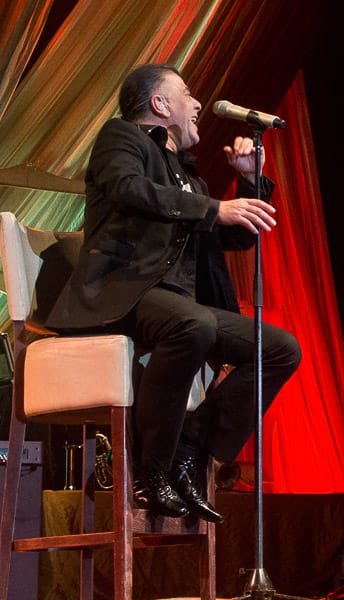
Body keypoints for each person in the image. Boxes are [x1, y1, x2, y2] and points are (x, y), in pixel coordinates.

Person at [45, 63, 302, 522]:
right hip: (123, 293)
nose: (198, 103)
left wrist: (248, 179)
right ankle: (152, 470)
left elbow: (231, 236)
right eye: (186, 93)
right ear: (160, 104)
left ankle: (188, 447)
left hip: (179, 306)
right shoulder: (121, 138)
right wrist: (213, 207)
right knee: (193, 323)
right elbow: (129, 189)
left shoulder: (189, 179)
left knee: (280, 348)